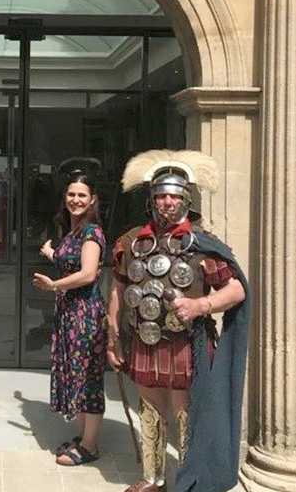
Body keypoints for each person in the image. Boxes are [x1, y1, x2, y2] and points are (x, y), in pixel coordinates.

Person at [107, 150, 251, 492]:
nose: (166, 202)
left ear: (186, 199)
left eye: (173, 196)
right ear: (152, 200)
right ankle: (153, 478)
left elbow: (235, 290)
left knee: (185, 412)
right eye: (160, 195)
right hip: (143, 338)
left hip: (187, 341)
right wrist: (113, 339)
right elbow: (118, 288)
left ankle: (188, 479)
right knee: (150, 407)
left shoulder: (202, 244)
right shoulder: (131, 241)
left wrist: (201, 304)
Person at [33, 171, 107, 466]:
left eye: (81, 195)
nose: (75, 200)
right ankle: (82, 436)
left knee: (88, 377)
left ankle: (90, 445)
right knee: (75, 374)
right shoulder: (73, 231)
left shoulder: (92, 232)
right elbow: (74, 262)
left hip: (85, 315)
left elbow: (88, 274)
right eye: (71, 195)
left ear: (92, 201)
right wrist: (53, 254)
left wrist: (54, 285)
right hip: (69, 313)